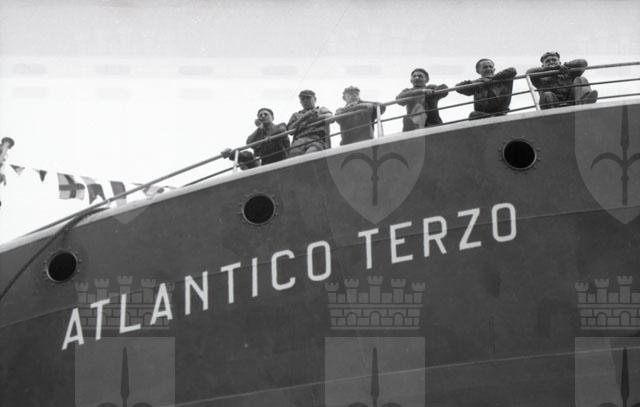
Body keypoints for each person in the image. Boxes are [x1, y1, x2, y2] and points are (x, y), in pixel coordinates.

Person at [526, 51, 598, 110]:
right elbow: (528, 73)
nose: (551, 62)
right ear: (543, 66)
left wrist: (566, 65)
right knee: (547, 94)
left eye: (554, 60)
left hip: (573, 103)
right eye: (548, 61)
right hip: (552, 107)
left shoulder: (568, 74)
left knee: (581, 79)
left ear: (559, 63)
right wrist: (549, 69)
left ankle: (584, 102)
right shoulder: (540, 80)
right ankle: (553, 115)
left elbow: (583, 63)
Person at [287, 90, 333, 156]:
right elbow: (290, 131)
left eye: (308, 98)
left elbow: (330, 117)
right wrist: (304, 117)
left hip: (316, 140)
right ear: (300, 102)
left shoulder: (321, 109)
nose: (305, 101)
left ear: (315, 99)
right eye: (303, 99)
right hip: (299, 142)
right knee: (293, 157)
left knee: (309, 155)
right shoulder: (296, 115)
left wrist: (313, 119)